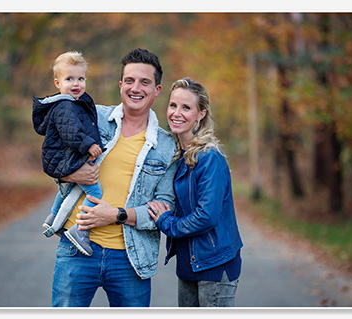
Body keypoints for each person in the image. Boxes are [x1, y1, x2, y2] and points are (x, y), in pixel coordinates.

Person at [51, 48, 177, 307]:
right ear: (121, 85)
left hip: (131, 259)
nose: (135, 88)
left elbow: (164, 209)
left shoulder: (167, 146)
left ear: (157, 90)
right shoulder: (92, 117)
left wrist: (116, 215)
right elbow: (54, 157)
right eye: (129, 80)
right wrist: (74, 173)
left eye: (144, 82)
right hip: (76, 249)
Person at [147, 77, 243, 307]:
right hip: (188, 263)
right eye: (173, 105)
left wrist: (166, 222)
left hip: (215, 263)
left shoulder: (209, 157)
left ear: (201, 114)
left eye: (186, 108)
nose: (176, 113)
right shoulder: (177, 156)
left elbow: (207, 216)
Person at [32, 51, 104, 256]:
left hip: (62, 157)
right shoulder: (65, 106)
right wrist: (89, 145)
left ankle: (53, 217)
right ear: (57, 83)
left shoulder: (73, 103)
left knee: (69, 187)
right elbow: (71, 133)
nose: (76, 84)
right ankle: (80, 230)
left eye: (81, 79)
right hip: (64, 157)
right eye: (69, 79)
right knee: (95, 193)